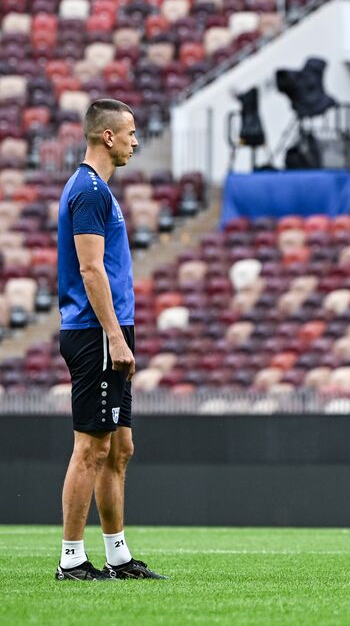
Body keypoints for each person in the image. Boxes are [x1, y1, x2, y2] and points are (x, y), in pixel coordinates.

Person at [55, 99, 164, 580]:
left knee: (120, 448)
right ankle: (72, 559)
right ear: (108, 137)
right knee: (91, 448)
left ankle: (117, 556)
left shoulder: (99, 190)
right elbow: (90, 268)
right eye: (131, 133)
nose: (136, 141)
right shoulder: (90, 191)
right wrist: (116, 339)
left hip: (111, 330)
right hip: (97, 332)